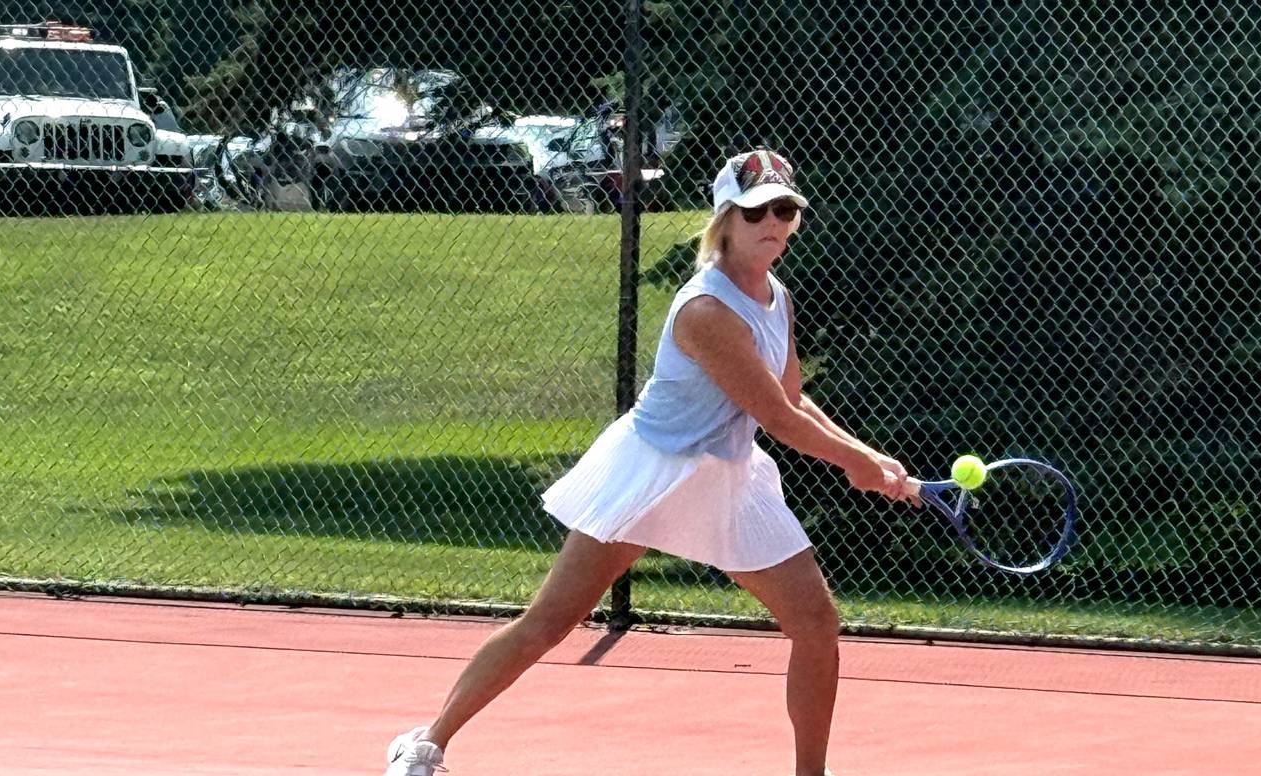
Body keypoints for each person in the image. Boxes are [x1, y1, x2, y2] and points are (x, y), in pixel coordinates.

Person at [382, 148, 915, 776]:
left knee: (816, 622)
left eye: (784, 209)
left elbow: (794, 396)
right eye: (755, 211)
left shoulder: (778, 295)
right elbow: (778, 419)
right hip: (656, 470)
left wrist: (872, 455)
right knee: (551, 622)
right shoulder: (707, 311)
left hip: (729, 478)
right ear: (725, 220)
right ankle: (426, 744)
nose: (772, 221)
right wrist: (857, 465)